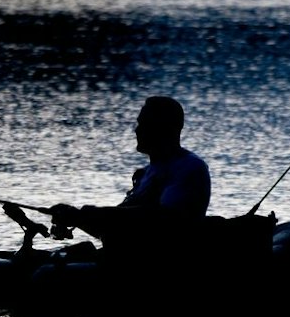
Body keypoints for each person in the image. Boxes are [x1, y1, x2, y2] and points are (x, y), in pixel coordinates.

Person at [49, 95, 210, 244]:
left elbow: (166, 220)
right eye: (139, 123)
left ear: (166, 129)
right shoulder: (145, 173)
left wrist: (86, 214)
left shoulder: (189, 167)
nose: (137, 130)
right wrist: (76, 218)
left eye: (145, 124)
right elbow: (114, 229)